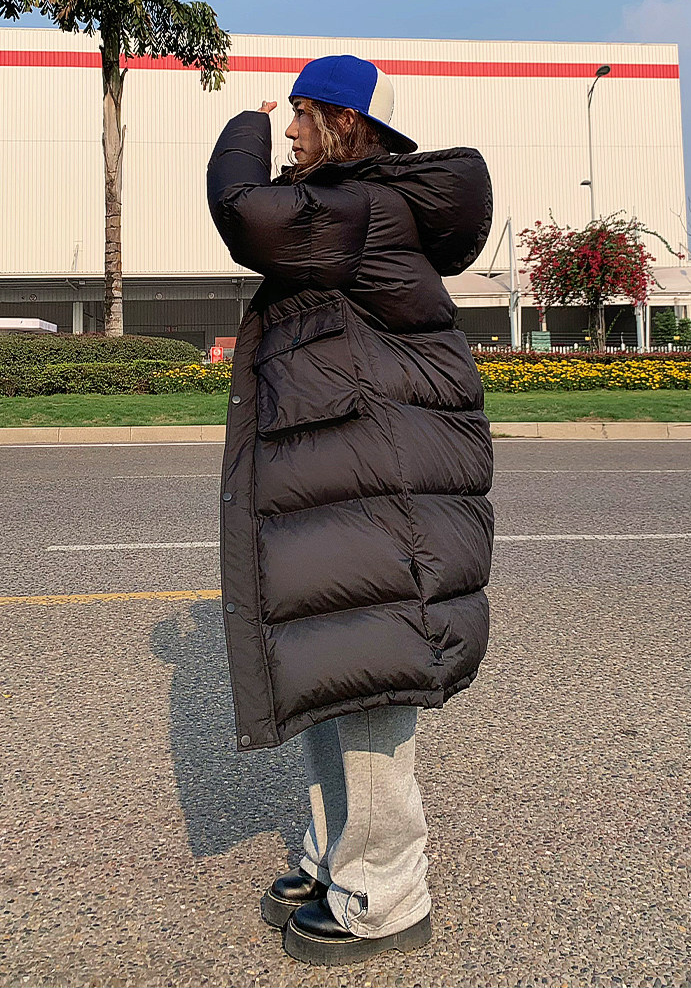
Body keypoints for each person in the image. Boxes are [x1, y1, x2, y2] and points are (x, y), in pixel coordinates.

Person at [206, 54, 494, 966]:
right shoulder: (352, 208)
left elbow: (243, 211)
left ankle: (386, 897)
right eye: (284, 116)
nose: (290, 132)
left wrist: (245, 125)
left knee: (368, 688)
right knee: (336, 677)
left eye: (302, 115)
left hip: (382, 495)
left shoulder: (362, 208)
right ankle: (337, 860)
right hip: (359, 485)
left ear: (347, 122)